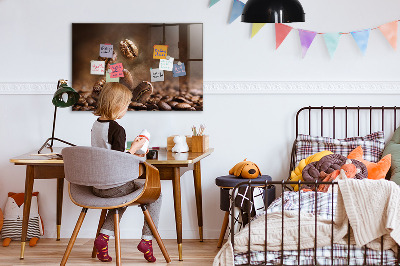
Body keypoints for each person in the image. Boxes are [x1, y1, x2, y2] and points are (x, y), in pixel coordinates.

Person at [91, 82, 161, 263]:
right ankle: (147, 240)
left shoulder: (96, 125)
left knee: (121, 197)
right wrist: (136, 148)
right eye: (126, 105)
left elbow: (108, 154)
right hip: (114, 186)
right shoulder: (117, 129)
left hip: (97, 186)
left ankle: (103, 238)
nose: (127, 109)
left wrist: (130, 150)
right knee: (156, 194)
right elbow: (119, 161)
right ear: (117, 105)